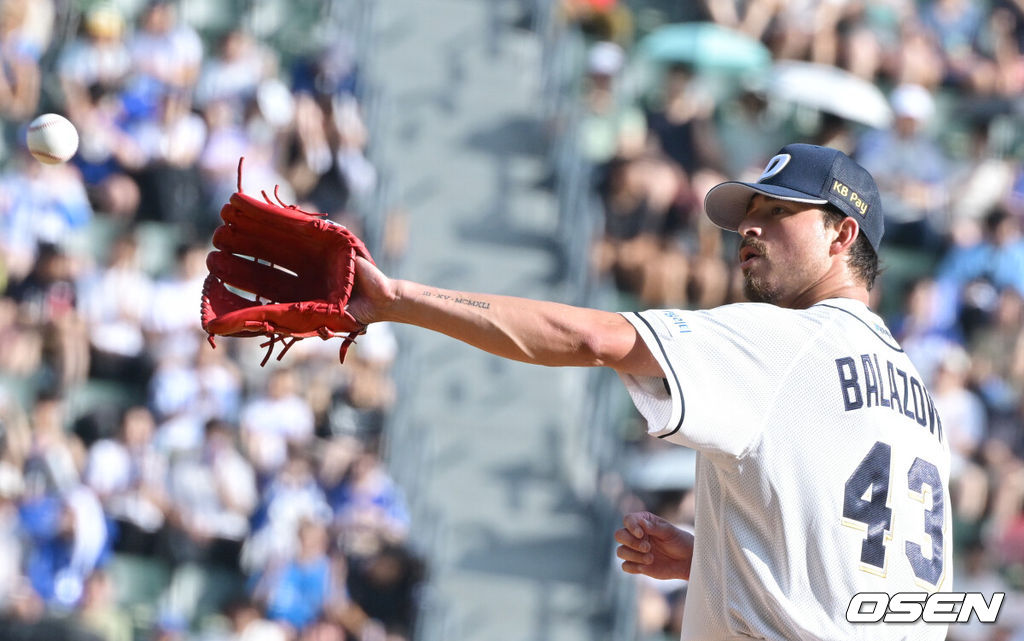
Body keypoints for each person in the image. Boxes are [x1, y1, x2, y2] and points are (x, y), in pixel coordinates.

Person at [301, 143, 954, 639]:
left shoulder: (787, 341)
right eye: (750, 212)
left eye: (779, 212)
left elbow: (592, 338)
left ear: (843, 235)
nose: (750, 227)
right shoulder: (920, 400)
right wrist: (715, 560)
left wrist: (400, 300)